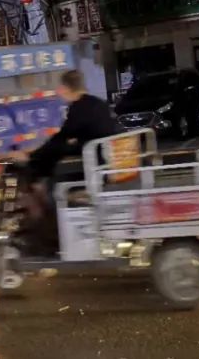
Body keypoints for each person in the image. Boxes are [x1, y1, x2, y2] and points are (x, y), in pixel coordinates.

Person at [12, 69, 119, 254]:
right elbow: (73, 139)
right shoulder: (98, 104)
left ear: (64, 88)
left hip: (94, 166)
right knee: (56, 162)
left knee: (54, 186)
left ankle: (54, 238)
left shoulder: (79, 108)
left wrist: (32, 156)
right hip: (102, 162)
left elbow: (62, 138)